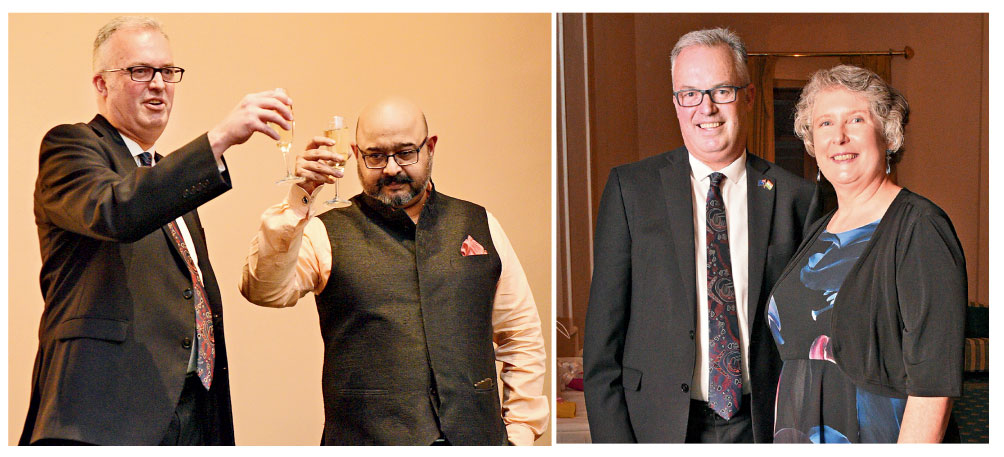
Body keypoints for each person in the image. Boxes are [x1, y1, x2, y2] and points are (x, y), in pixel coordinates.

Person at [21, 16, 295, 445]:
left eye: (167, 72)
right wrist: (218, 139)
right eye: (139, 71)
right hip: (102, 414)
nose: (158, 84)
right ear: (101, 84)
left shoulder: (166, 177)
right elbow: (117, 210)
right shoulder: (70, 148)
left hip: (193, 412)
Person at [239, 97, 548, 445]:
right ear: (356, 154)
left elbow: (521, 337)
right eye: (376, 156)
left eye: (405, 153)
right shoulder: (324, 232)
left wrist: (521, 434)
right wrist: (300, 197)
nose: (391, 168)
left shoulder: (479, 222)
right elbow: (264, 290)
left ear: (430, 148)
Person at [583, 28, 819, 443]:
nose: (705, 108)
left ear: (748, 96)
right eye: (689, 94)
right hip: (657, 427)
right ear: (676, 104)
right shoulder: (631, 191)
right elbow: (602, 343)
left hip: (761, 426)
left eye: (721, 91)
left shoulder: (795, 197)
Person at [766, 64, 966, 443]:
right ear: (812, 142)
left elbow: (933, 386)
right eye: (825, 124)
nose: (839, 137)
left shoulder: (920, 228)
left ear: (887, 134)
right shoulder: (820, 229)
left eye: (855, 119)